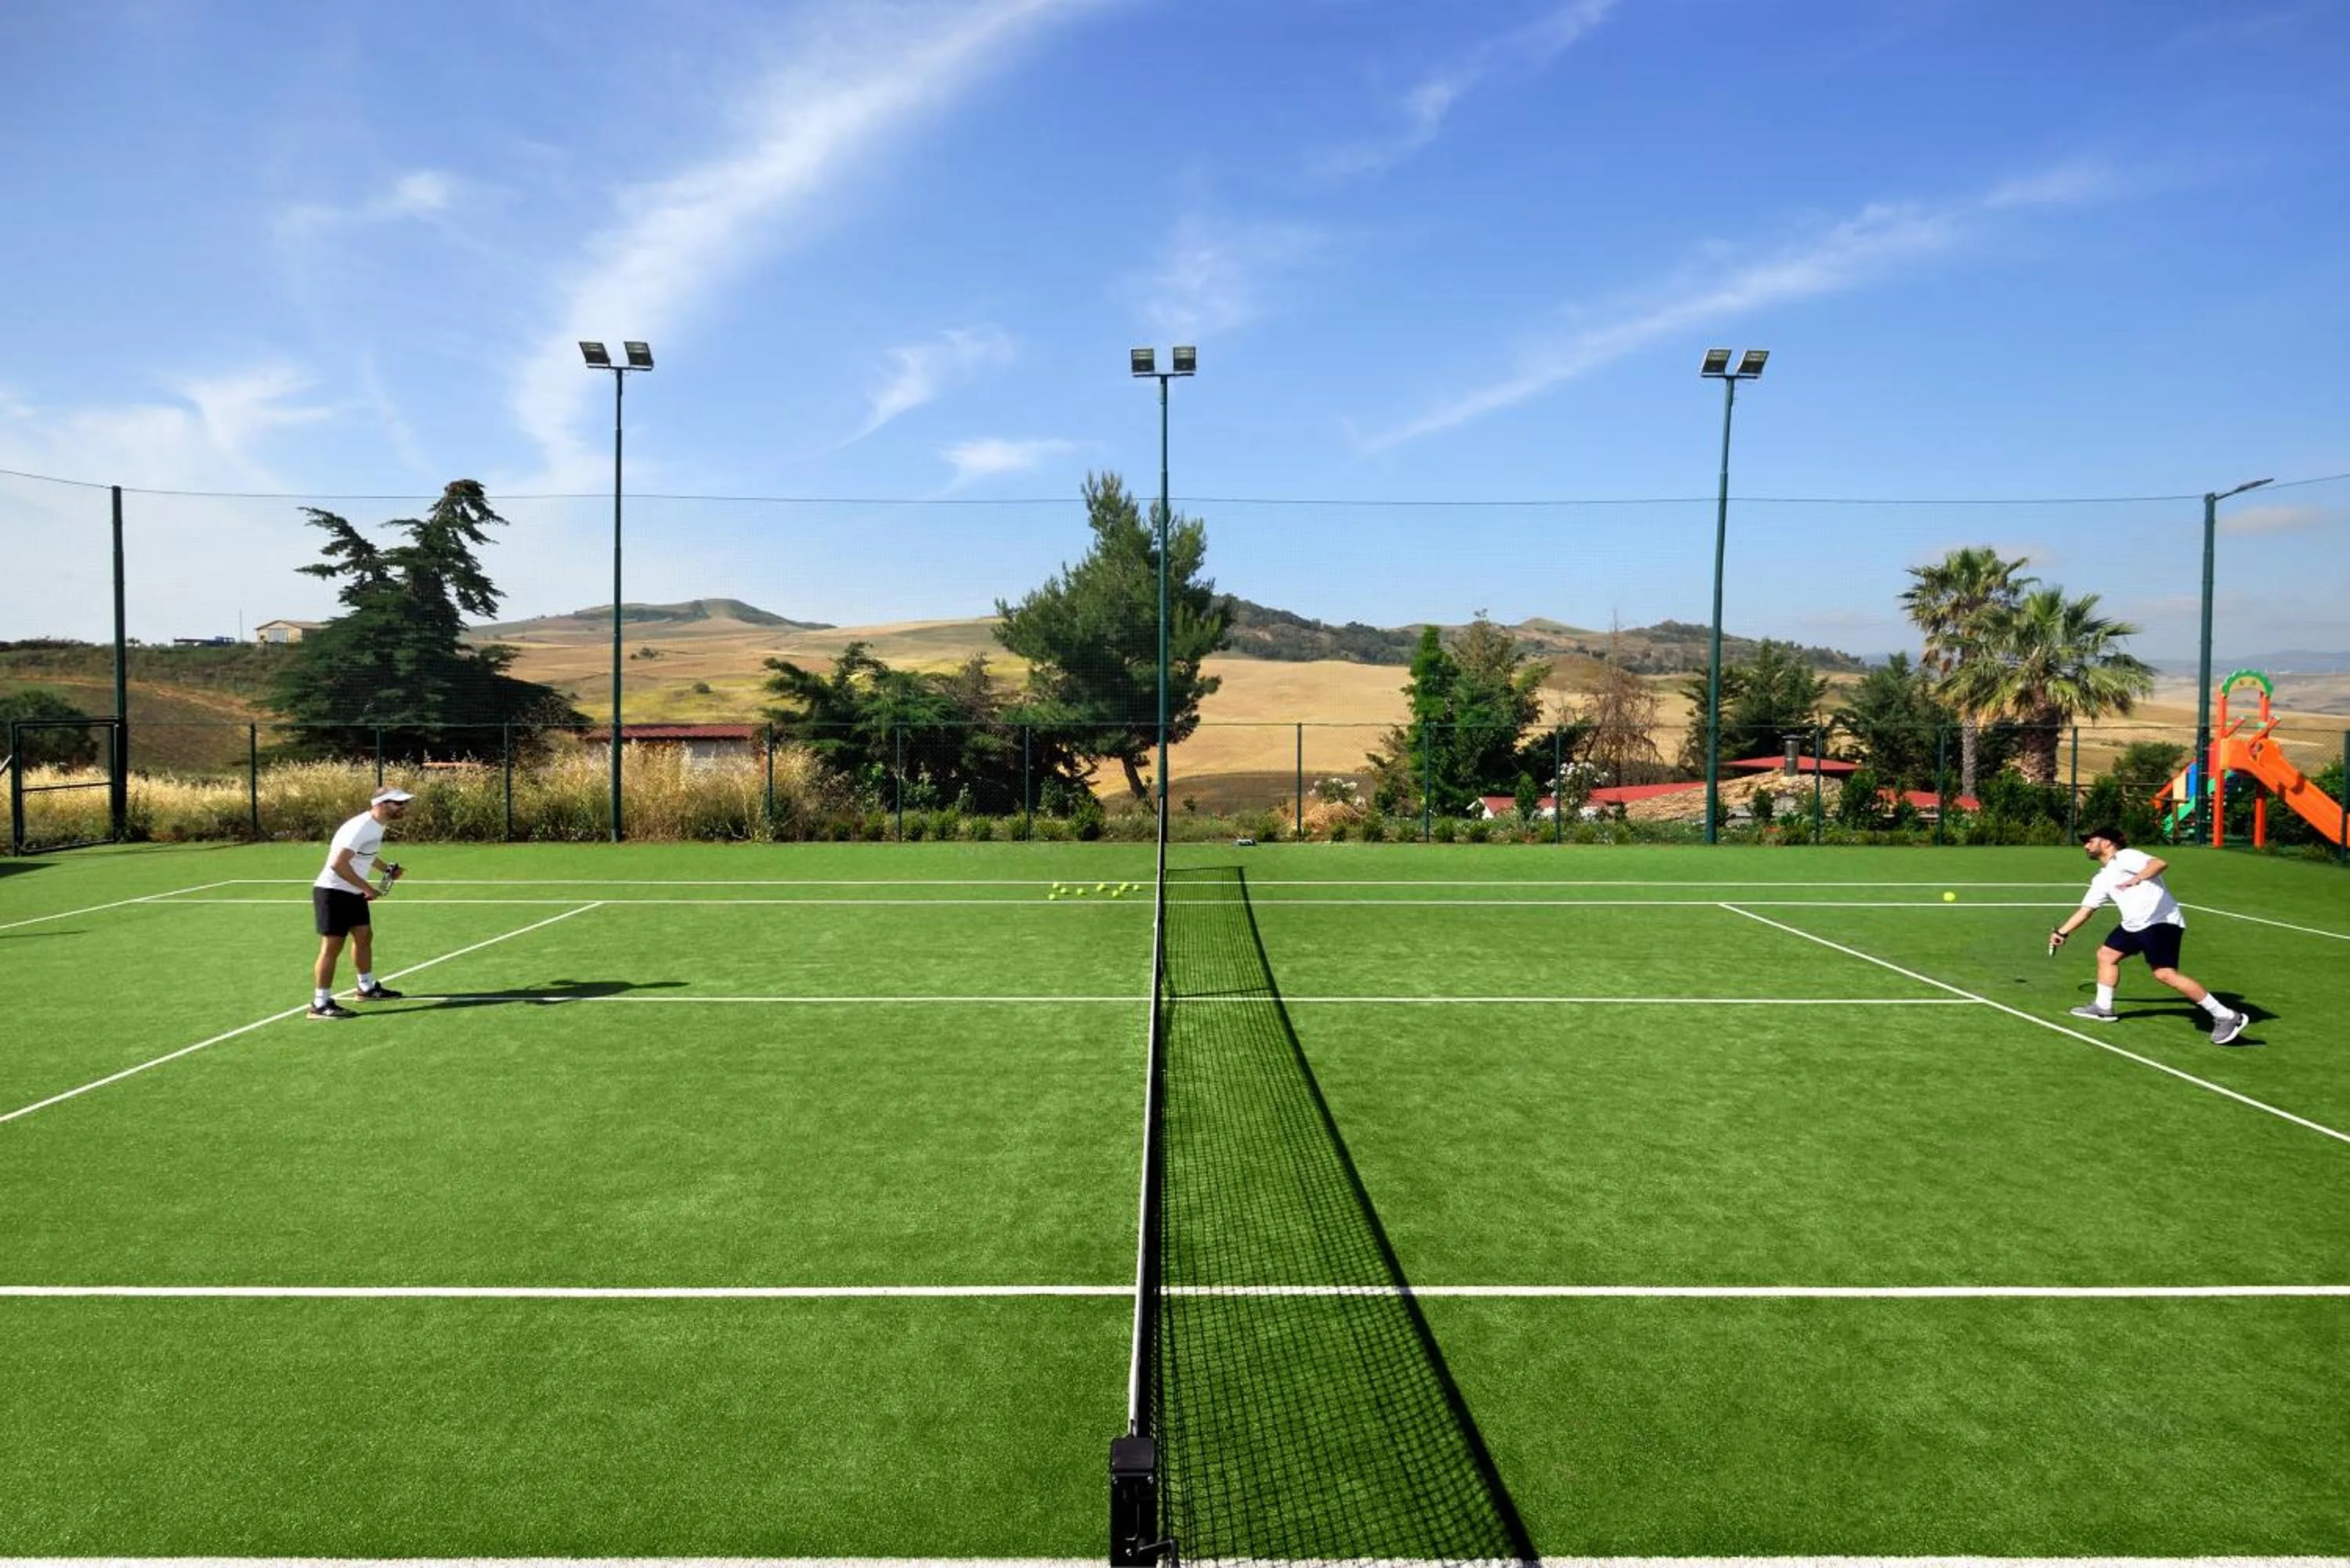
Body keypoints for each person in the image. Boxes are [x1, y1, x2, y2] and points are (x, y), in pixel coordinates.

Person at [2048, 826, 2248, 1045]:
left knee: (2164, 974)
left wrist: (2138, 878)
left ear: (2107, 842)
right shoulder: (2102, 878)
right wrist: (2062, 932)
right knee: (2106, 955)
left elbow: (2159, 863)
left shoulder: (2125, 856)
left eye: (2090, 840)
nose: (2086, 845)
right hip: (2133, 925)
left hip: (2160, 922)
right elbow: (2086, 910)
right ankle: (2103, 1008)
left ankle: (2227, 1016)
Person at [308, 787, 411, 1020]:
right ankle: (320, 1003)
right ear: (381, 804)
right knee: (332, 947)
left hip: (351, 891)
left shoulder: (376, 826)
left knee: (364, 936)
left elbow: (366, 854)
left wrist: (386, 869)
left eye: (404, 803)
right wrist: (367, 888)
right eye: (398, 803)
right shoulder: (360, 827)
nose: (404, 808)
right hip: (333, 892)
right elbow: (338, 864)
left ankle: (366, 988)